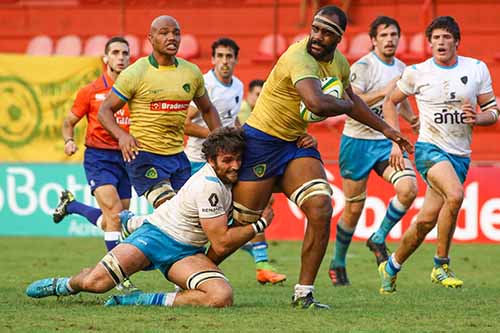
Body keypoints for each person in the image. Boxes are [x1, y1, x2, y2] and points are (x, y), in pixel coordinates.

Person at [230, 5, 413, 309]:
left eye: (327, 32)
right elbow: (317, 101)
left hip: (294, 143)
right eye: (315, 28)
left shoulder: (339, 62)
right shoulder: (298, 55)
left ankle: (304, 293)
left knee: (321, 207)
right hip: (261, 140)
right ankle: (197, 269)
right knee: (239, 224)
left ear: (339, 38)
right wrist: (345, 104)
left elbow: (351, 101)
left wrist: (388, 131)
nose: (317, 36)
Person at [26, 127, 273, 308]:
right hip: (156, 236)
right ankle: (65, 285)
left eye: (239, 159)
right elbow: (221, 243)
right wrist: (260, 224)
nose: (235, 166)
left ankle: (140, 300)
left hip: (186, 252)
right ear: (210, 160)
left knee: (221, 296)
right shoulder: (209, 185)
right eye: (228, 160)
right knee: (96, 283)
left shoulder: (235, 174)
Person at [378, 16, 499, 294]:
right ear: (429, 43)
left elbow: (493, 109)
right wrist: (396, 141)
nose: (441, 42)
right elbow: (390, 101)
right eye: (436, 38)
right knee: (455, 195)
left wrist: (479, 118)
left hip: (460, 155)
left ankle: (392, 265)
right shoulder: (417, 72)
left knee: (425, 222)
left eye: (446, 38)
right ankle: (441, 265)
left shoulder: (477, 69)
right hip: (429, 149)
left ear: (456, 42)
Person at [184, 38, 286, 285]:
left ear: (236, 60)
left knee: (255, 204)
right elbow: (184, 124)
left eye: (229, 56)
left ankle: (262, 266)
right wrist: (218, 138)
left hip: (228, 163)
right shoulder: (205, 85)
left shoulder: (238, 86)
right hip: (199, 162)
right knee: (197, 226)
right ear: (212, 59)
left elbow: (232, 122)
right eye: (219, 56)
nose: (224, 61)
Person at [327, 16, 419, 286]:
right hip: (357, 142)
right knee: (354, 209)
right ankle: (338, 262)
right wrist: (382, 92)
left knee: (409, 189)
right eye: (384, 35)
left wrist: (412, 119)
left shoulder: (402, 68)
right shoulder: (364, 67)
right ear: (374, 40)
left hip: (384, 143)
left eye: (394, 34)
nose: (390, 39)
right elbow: (349, 101)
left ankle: (378, 237)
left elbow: (398, 103)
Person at [98, 15, 222, 209]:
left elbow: (207, 109)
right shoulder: (135, 72)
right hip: (144, 155)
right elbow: (104, 111)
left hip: (178, 157)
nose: (171, 37)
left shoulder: (191, 72)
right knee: (170, 208)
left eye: (176, 33)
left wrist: (220, 138)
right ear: (150, 38)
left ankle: (130, 226)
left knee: (189, 215)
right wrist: (122, 136)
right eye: (164, 33)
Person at [54, 36, 132, 253]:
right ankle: (118, 275)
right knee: (115, 213)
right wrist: (69, 141)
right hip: (99, 158)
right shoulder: (90, 91)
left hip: (127, 158)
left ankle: (72, 205)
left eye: (125, 53)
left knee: (116, 221)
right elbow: (68, 122)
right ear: (105, 58)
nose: (121, 57)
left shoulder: (136, 92)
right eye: (115, 53)